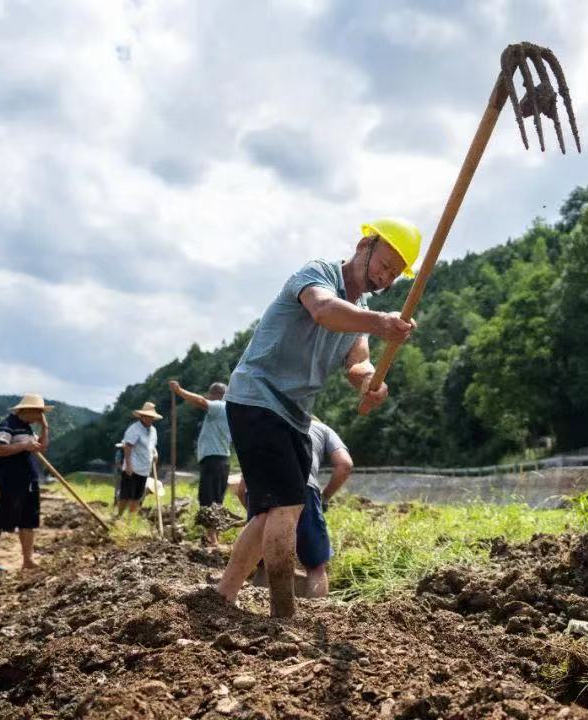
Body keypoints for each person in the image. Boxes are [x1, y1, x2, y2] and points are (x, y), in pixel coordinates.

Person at [217, 217, 420, 617]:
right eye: (385, 264)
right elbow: (324, 310)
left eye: (396, 274)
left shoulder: (360, 313)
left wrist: (369, 385)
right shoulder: (317, 274)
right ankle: (282, 610)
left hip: (295, 415)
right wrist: (382, 323)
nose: (387, 277)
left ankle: (223, 595)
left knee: (269, 511)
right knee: (289, 505)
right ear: (365, 244)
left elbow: (357, 364)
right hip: (259, 396)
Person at [242, 416, 353, 598]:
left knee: (262, 563)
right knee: (315, 567)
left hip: (260, 487)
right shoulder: (322, 429)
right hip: (302, 488)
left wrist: (256, 511)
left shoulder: (270, 422)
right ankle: (315, 613)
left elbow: (241, 487)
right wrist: (324, 497)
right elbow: (345, 465)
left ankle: (257, 610)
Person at [0, 393, 51, 574]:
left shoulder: (27, 428)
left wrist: (45, 427)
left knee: (28, 521)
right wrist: (23, 447)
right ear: (27, 410)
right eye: (38, 413)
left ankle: (28, 560)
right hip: (11, 481)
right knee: (0, 520)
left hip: (30, 480)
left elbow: (42, 447)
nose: (39, 416)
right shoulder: (7, 425)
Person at [168, 379, 232, 545]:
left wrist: (180, 391)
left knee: (208, 499)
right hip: (221, 460)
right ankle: (213, 536)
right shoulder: (229, 411)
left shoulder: (220, 407)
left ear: (215, 395)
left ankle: (212, 538)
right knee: (216, 499)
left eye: (210, 395)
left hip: (214, 460)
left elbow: (200, 401)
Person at [118, 402, 161, 516]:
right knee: (126, 495)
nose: (150, 419)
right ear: (142, 416)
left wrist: (155, 454)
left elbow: (152, 446)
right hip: (133, 468)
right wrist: (128, 465)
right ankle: (119, 515)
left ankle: (131, 519)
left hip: (144, 469)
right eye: (148, 417)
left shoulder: (153, 431)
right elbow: (128, 446)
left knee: (137, 496)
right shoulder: (134, 429)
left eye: (152, 417)